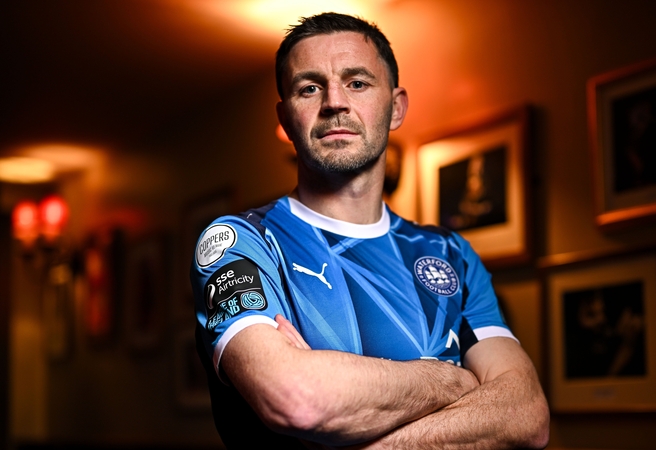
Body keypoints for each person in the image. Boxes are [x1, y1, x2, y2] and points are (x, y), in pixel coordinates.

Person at [190, 12, 549, 449]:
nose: (335, 102)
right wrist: (452, 381)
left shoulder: (450, 253)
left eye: (357, 83)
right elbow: (296, 398)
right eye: (310, 87)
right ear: (285, 119)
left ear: (395, 107)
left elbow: (526, 414)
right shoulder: (240, 242)